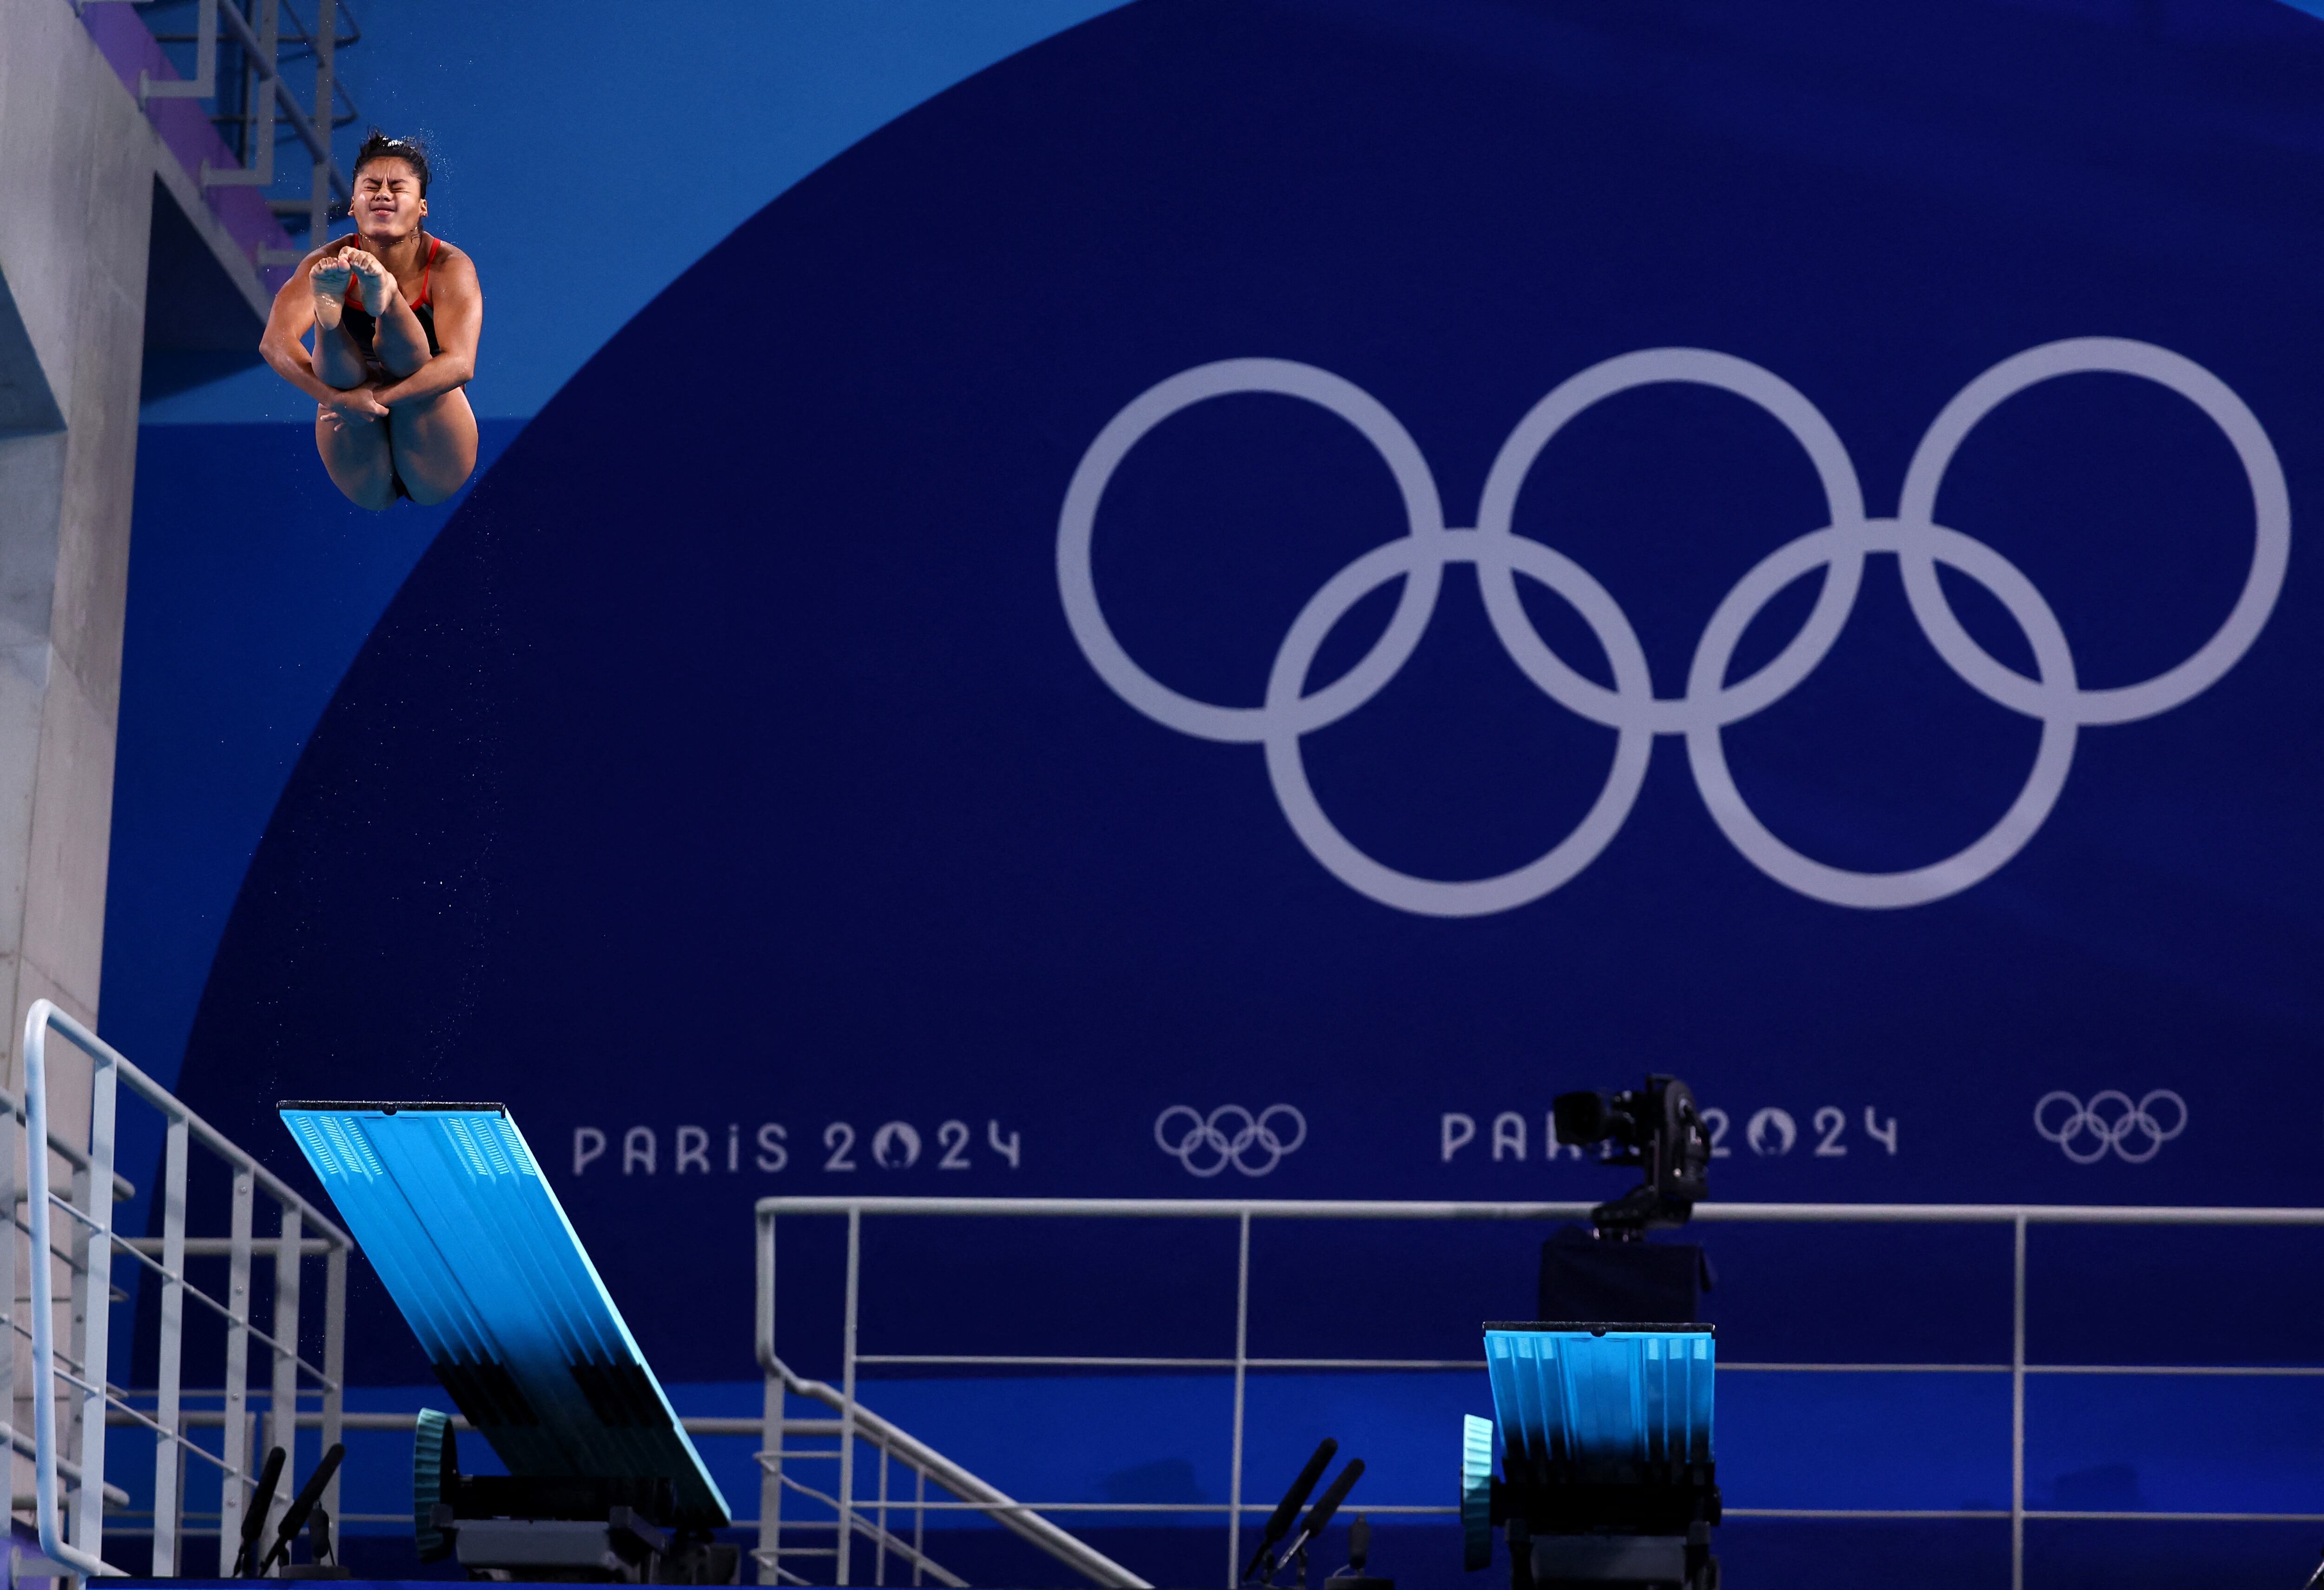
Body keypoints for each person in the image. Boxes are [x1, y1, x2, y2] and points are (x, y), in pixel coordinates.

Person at [258, 132, 482, 509]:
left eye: (397, 187)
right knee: (338, 371)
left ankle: (388, 301)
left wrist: (371, 401)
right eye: (371, 186)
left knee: (410, 363)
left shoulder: (448, 266)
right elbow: (275, 343)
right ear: (352, 205)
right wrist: (336, 398)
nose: (382, 194)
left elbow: (460, 365)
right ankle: (331, 325)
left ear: (423, 207)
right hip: (351, 417)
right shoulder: (323, 265)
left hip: (432, 431)